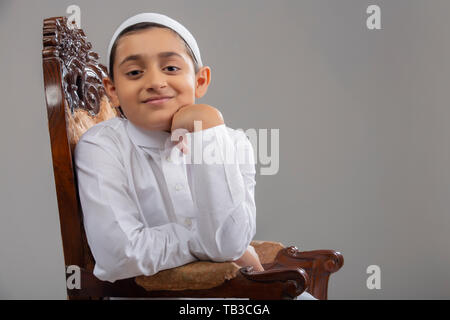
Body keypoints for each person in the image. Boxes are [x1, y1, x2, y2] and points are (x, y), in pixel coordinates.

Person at [74, 13, 315, 300]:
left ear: (200, 80)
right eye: (135, 73)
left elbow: (230, 242)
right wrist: (201, 239)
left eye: (171, 67)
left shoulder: (234, 143)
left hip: (234, 294)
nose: (155, 81)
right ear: (112, 90)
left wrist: (208, 126)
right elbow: (119, 254)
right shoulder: (102, 146)